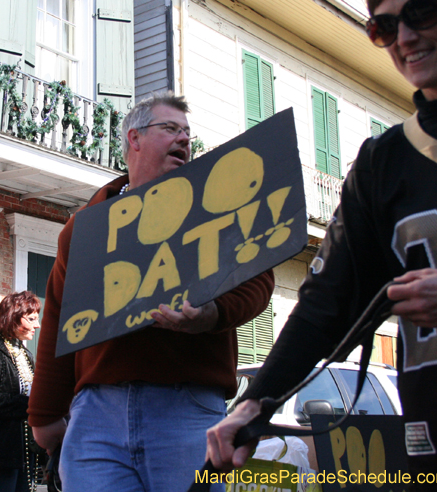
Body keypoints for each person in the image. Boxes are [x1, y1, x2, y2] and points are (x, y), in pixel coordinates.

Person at [206, 0, 437, 489]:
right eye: (384, 26)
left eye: (421, 12)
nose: (405, 37)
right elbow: (327, 304)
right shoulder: (381, 161)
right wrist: (255, 403)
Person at [27, 91, 275, 492]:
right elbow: (57, 317)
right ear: (134, 138)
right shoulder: (86, 226)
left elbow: (259, 281)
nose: (183, 140)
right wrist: (42, 415)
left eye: (187, 134)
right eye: (170, 129)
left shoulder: (217, 206)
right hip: (96, 416)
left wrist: (211, 314)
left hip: (188, 410)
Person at [0, 291, 45, 492]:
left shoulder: (25, 354)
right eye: (31, 319)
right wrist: (32, 405)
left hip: (26, 454)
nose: (37, 326)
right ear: (12, 318)